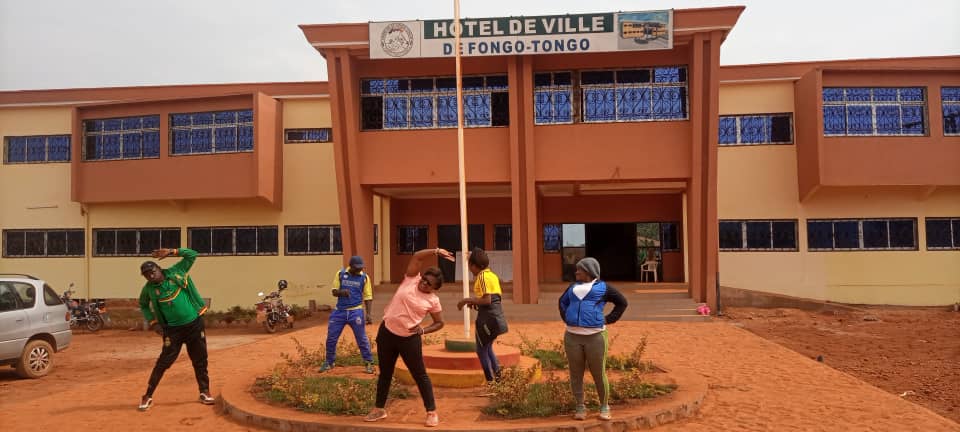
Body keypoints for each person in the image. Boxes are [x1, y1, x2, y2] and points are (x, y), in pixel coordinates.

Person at [364, 247, 453, 427]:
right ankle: (379, 409)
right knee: (385, 374)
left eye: (430, 284)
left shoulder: (433, 301)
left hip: (409, 339)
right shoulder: (411, 280)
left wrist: (423, 331)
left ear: (435, 288)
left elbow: (439, 323)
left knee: (420, 375)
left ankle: (431, 412)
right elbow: (417, 256)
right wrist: (436, 251)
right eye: (425, 279)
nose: (425, 284)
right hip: (387, 333)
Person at [137, 247, 214, 411]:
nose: (151, 276)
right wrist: (153, 322)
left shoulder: (176, 271)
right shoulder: (149, 289)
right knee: (163, 363)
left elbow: (193, 254)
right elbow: (143, 304)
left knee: (200, 360)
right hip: (172, 331)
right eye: (147, 274)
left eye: (152, 271)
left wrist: (172, 252)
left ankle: (204, 392)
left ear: (159, 268)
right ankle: (148, 395)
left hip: (194, 324)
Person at [558, 257, 628, 421]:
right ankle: (580, 407)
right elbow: (562, 302)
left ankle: (604, 406)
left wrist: (608, 319)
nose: (576, 272)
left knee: (598, 373)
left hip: (595, 337)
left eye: (579, 269)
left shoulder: (603, 288)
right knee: (575, 374)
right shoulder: (572, 288)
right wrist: (568, 318)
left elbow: (622, 302)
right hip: (572, 337)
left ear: (588, 271)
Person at [456, 248, 508, 384]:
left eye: (469, 266)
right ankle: (498, 380)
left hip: (488, 319)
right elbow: (493, 300)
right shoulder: (492, 276)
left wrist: (467, 300)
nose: (469, 269)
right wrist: (475, 303)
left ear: (474, 265)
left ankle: (491, 381)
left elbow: (487, 300)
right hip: (494, 317)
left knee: (481, 350)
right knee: (487, 347)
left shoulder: (483, 277)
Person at [319, 255, 375, 374]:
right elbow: (334, 291)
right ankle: (329, 362)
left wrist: (368, 313)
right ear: (351, 266)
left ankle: (368, 362)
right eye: (357, 268)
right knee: (331, 338)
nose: (360, 270)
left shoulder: (364, 278)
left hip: (356, 312)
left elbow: (368, 296)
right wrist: (341, 292)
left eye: (361, 267)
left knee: (361, 338)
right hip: (339, 312)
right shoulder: (340, 274)